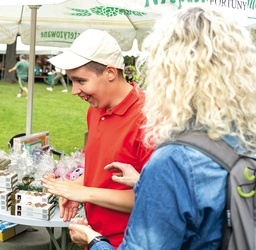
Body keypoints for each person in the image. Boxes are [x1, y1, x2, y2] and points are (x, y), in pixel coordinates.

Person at [66, 6, 256, 249]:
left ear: (168, 72)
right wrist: (143, 182)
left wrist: (92, 240)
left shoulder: (174, 160)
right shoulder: (245, 135)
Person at [41, 29, 153, 248]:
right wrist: (76, 186)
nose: (75, 91)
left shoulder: (148, 118)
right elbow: (103, 168)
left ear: (110, 72)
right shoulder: (95, 110)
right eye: (71, 81)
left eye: (81, 80)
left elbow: (154, 199)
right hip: (96, 237)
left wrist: (85, 193)